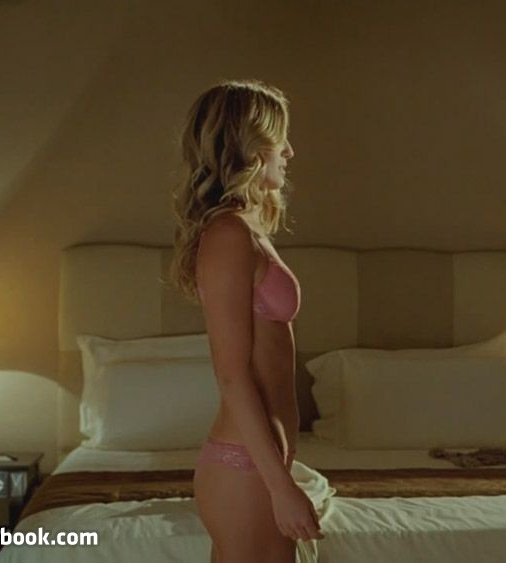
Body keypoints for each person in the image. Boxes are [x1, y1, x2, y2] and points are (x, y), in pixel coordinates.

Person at [171, 79, 322, 563]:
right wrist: (281, 488)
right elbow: (232, 375)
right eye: (281, 139)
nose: (290, 151)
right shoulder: (227, 235)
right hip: (245, 469)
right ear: (250, 147)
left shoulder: (247, 228)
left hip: (259, 464)